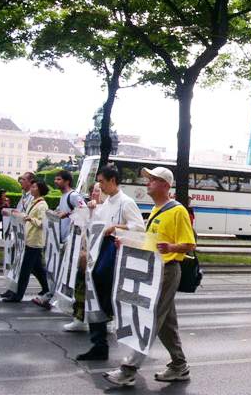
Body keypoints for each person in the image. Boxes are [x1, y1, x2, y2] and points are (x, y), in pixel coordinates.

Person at [103, 167, 196, 387]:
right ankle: (179, 365)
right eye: (149, 179)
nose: (148, 183)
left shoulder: (177, 211)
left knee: (149, 318)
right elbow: (150, 241)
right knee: (166, 323)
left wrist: (172, 247)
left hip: (167, 271)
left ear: (165, 185)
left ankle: (128, 370)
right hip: (155, 271)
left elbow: (190, 244)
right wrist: (127, 242)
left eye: (153, 179)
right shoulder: (156, 209)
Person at [77, 165, 145, 361]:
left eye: (102, 181)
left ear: (113, 180)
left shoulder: (126, 202)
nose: (100, 185)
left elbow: (139, 228)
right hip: (100, 250)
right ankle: (99, 343)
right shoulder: (107, 202)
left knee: (102, 294)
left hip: (114, 252)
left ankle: (107, 334)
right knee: (95, 295)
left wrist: (115, 227)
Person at [33, 170, 86, 310]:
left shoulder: (73, 196)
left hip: (69, 240)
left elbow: (84, 210)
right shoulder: (64, 197)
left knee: (61, 271)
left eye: (58, 179)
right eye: (55, 179)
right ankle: (55, 297)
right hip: (60, 240)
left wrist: (67, 214)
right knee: (58, 270)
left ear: (67, 181)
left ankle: (52, 298)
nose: (55, 182)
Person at [63, 182, 107, 333]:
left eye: (98, 191)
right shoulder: (87, 209)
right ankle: (79, 318)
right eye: (93, 190)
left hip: (100, 257)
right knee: (81, 286)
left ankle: (106, 321)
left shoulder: (108, 209)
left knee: (100, 291)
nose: (95, 193)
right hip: (84, 256)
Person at [1, 180, 50, 303]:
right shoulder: (34, 202)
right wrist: (17, 214)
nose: (31, 189)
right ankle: (48, 288)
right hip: (28, 239)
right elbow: (26, 216)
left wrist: (30, 218)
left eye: (34, 187)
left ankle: (18, 295)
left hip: (34, 242)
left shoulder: (42, 205)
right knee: (37, 269)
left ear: (39, 189)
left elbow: (42, 223)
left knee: (24, 270)